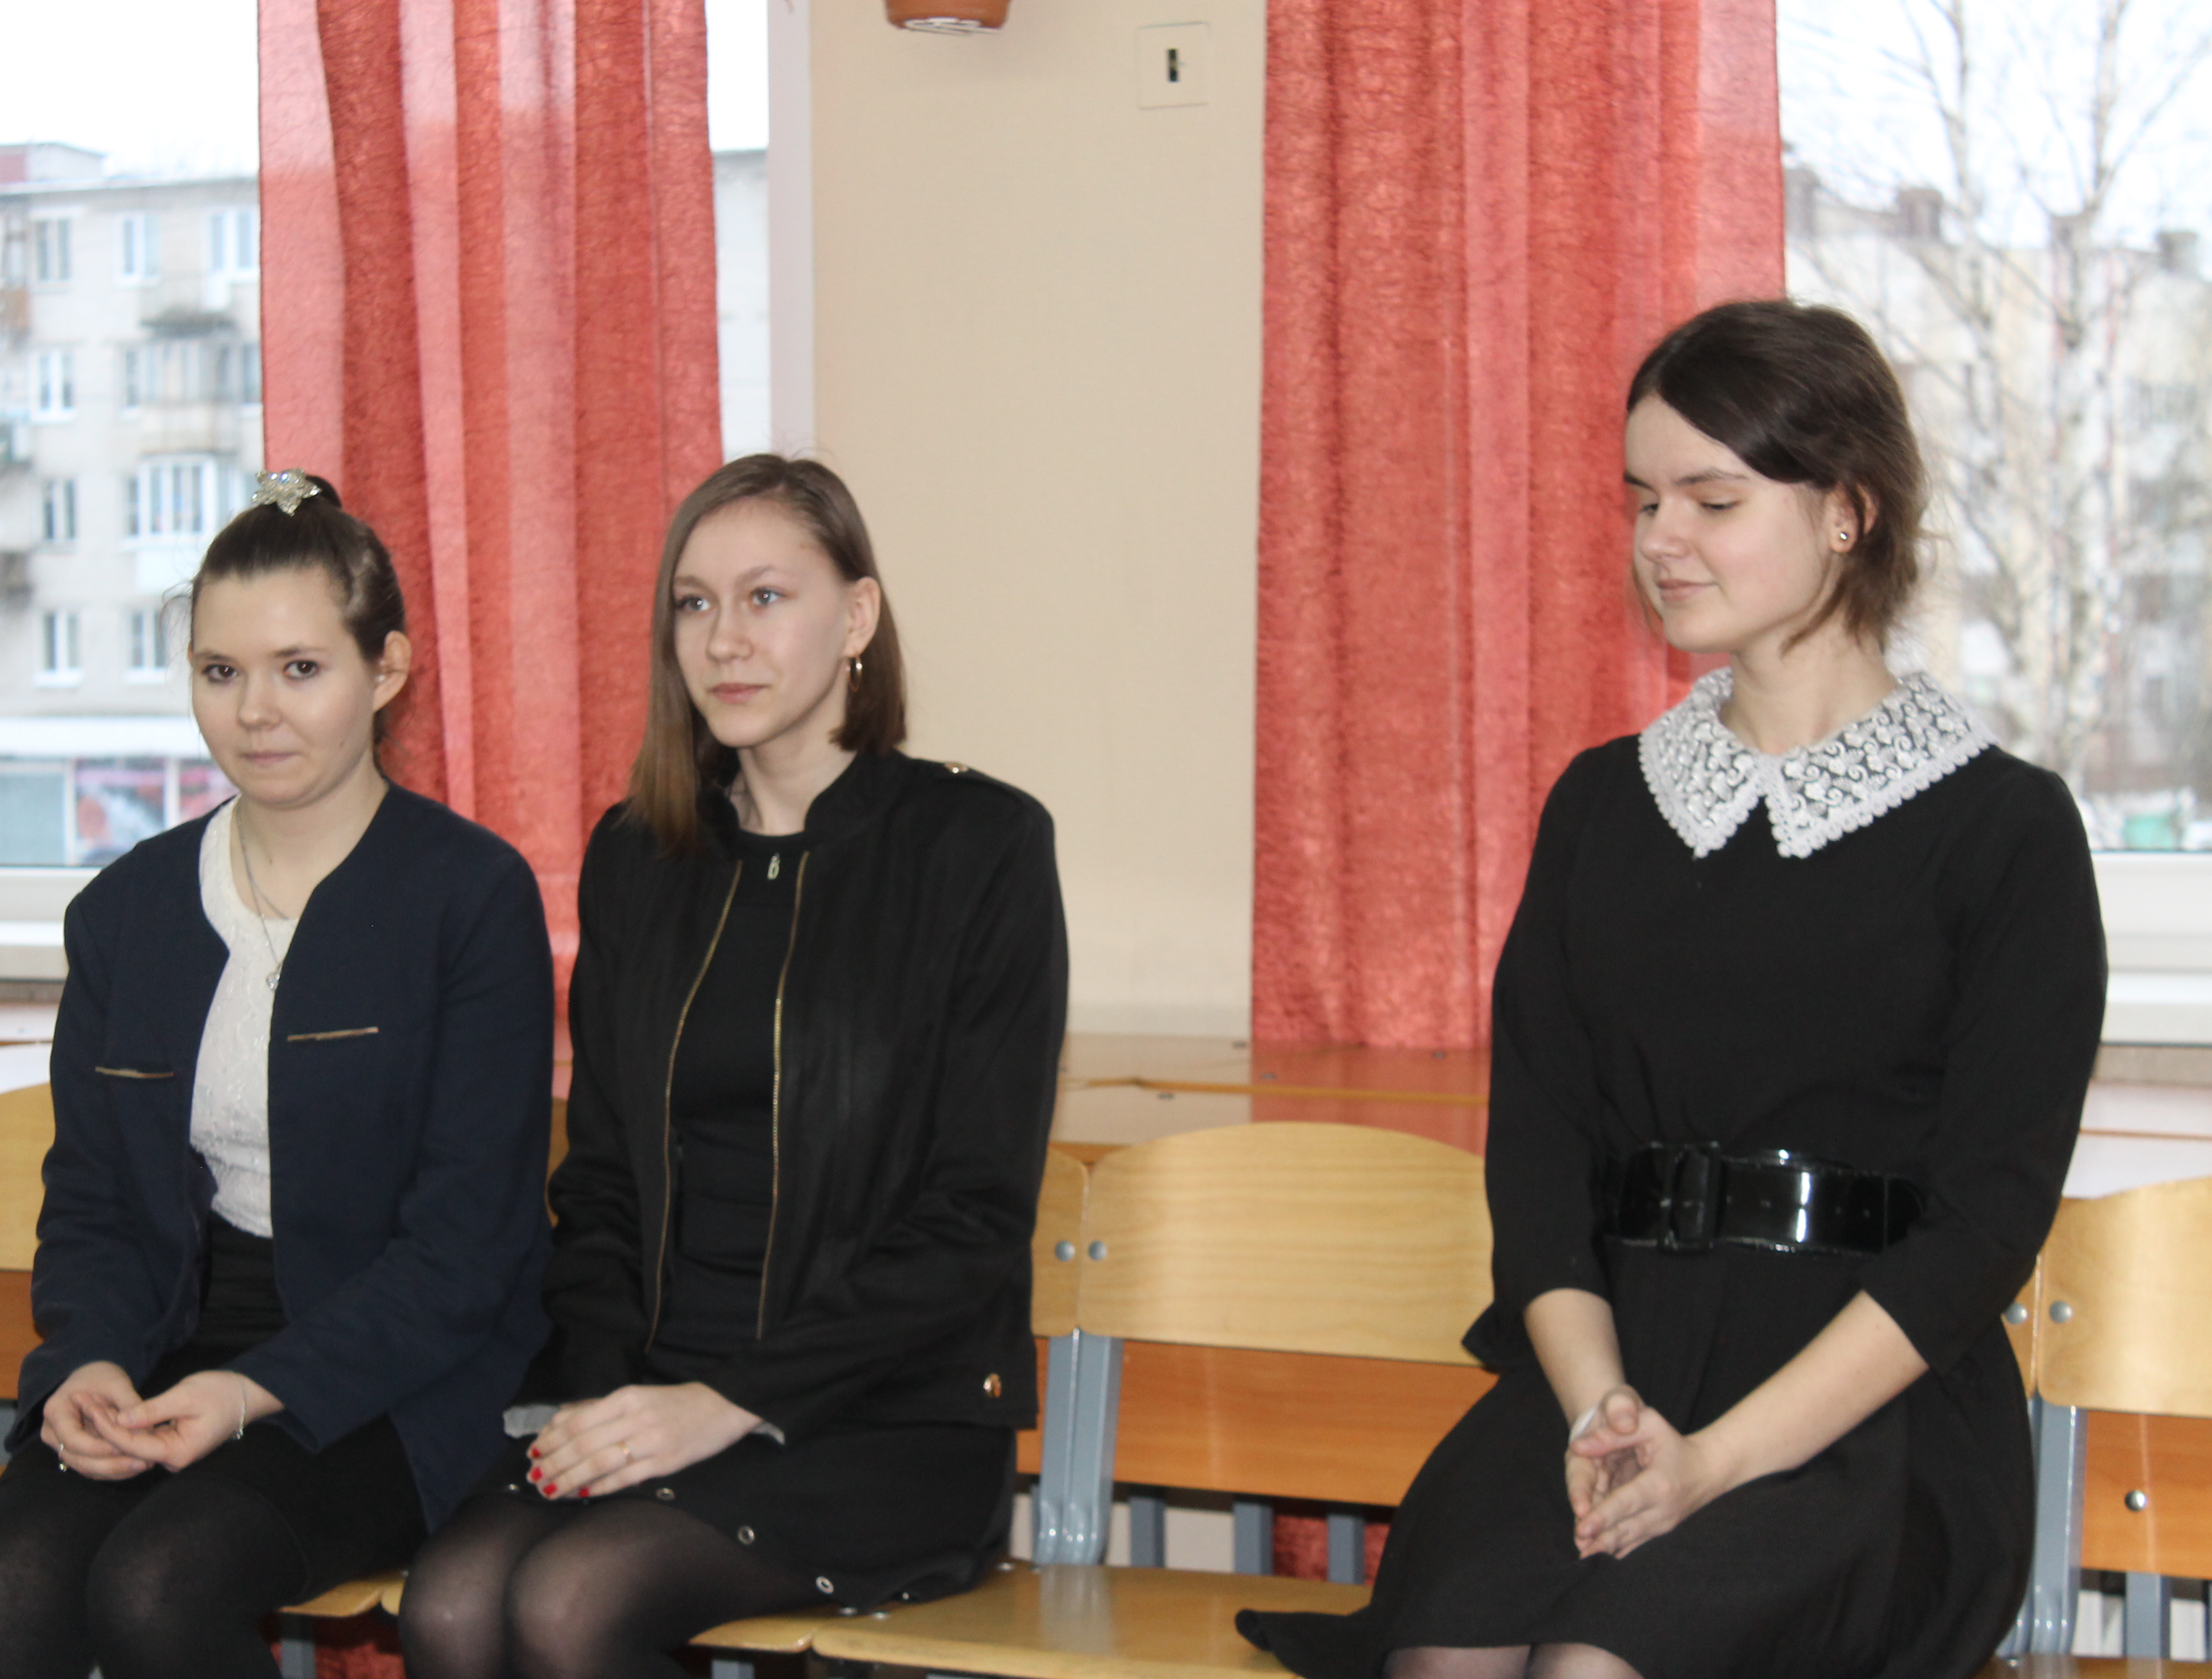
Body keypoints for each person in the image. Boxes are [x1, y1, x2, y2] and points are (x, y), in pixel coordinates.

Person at [1240, 299, 2108, 1679]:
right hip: (1609, 1375)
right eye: (1644, 499)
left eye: (1713, 497)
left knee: (1598, 1666)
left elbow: (1983, 1228)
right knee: (1449, 1659)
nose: (1661, 539)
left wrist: (1713, 1461)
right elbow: (1539, 1165)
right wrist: (1602, 1408)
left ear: (1848, 511)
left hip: (1864, 1416)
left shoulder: (2004, 831)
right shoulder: (1603, 804)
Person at [399, 453, 1068, 1679]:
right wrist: (604, 1402)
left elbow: (974, 1219)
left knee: (567, 1605)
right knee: (447, 1605)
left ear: (856, 618)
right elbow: (600, 1186)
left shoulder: (979, 848)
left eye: (766, 597)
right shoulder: (641, 856)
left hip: (877, 1416)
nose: (724, 641)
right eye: (694, 603)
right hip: (653, 1394)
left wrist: (726, 1403)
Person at [0, 470, 556, 1679]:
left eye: (300, 668)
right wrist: (87, 1362)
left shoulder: (470, 899)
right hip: (173, 1341)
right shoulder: (125, 913)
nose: (256, 712)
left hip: (404, 1369)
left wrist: (251, 1391)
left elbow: (465, 1253)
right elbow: (95, 1203)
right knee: (8, 1586)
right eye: (220, 672)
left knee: (161, 1583)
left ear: (387, 670)